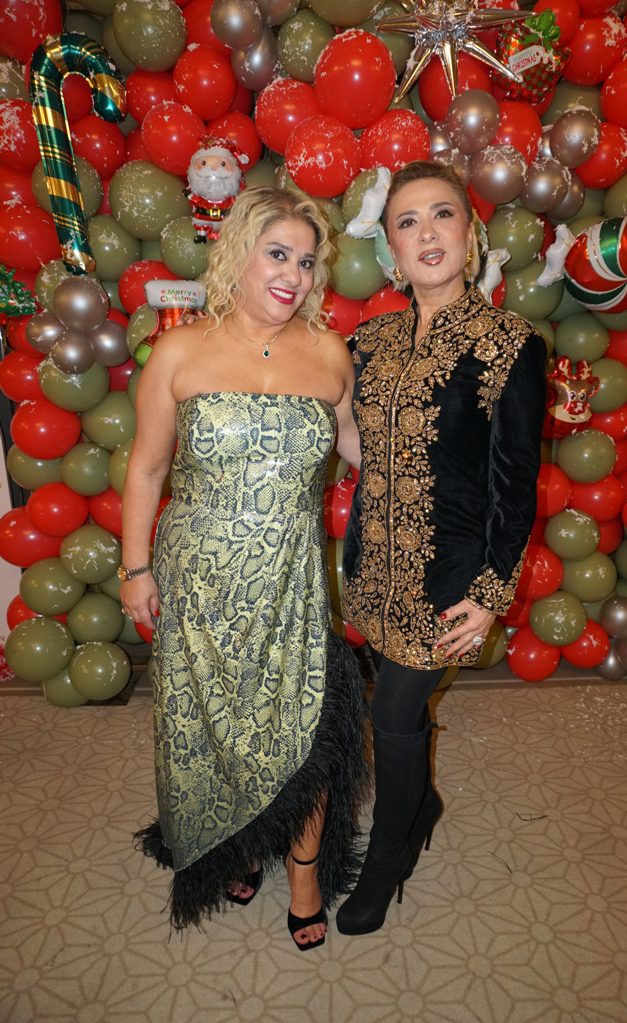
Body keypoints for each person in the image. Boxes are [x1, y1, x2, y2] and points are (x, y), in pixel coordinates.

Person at [121, 186, 367, 951]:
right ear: (239, 254)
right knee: (218, 721)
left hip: (290, 579)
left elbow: (359, 449)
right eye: (277, 254)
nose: (293, 274)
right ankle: (239, 842)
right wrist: (135, 568)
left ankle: (303, 872)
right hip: (199, 577)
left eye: (306, 260)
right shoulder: (179, 351)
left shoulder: (328, 352)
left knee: (306, 722)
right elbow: (147, 468)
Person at [336, 160, 546, 936]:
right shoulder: (369, 341)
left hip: (450, 577)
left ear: (471, 232)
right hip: (375, 565)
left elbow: (514, 484)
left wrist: (491, 594)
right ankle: (421, 805)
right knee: (392, 703)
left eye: (443, 214)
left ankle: (389, 856)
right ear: (391, 249)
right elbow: (366, 449)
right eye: (407, 221)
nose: (427, 232)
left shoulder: (509, 344)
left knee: (391, 709)